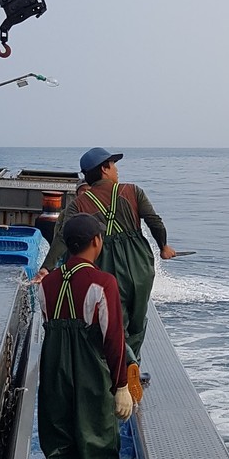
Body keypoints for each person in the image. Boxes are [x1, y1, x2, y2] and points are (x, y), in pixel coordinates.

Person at [35, 213, 134, 459]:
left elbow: (47, 322)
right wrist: (121, 384)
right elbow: (114, 339)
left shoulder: (47, 284)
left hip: (53, 374)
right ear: (96, 242)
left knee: (59, 451)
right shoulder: (102, 283)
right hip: (91, 375)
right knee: (100, 449)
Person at [37, 148, 176, 365]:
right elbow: (154, 221)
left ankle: (122, 363)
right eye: (113, 164)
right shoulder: (133, 191)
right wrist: (164, 246)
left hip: (104, 262)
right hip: (139, 262)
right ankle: (134, 363)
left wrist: (47, 267)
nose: (116, 169)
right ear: (104, 168)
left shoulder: (78, 204)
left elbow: (63, 238)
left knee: (114, 318)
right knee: (138, 317)